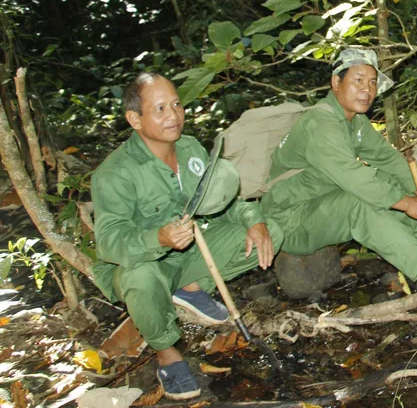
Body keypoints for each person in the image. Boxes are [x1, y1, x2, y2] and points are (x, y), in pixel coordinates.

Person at [91, 73, 282, 401]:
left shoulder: (190, 147)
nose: (174, 115)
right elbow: (109, 242)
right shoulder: (115, 173)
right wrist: (157, 239)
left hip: (191, 250)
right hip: (143, 264)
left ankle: (190, 288)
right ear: (134, 119)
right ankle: (167, 354)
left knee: (271, 232)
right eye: (160, 108)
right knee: (140, 277)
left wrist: (253, 219)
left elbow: (220, 200)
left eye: (177, 104)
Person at [260, 49, 417, 289]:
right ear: (336, 82)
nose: (368, 90)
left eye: (373, 82)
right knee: (359, 203)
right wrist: (407, 203)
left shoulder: (353, 120)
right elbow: (353, 178)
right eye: (358, 80)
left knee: (387, 180)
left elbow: (387, 159)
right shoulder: (320, 124)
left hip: (319, 203)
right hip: (291, 221)